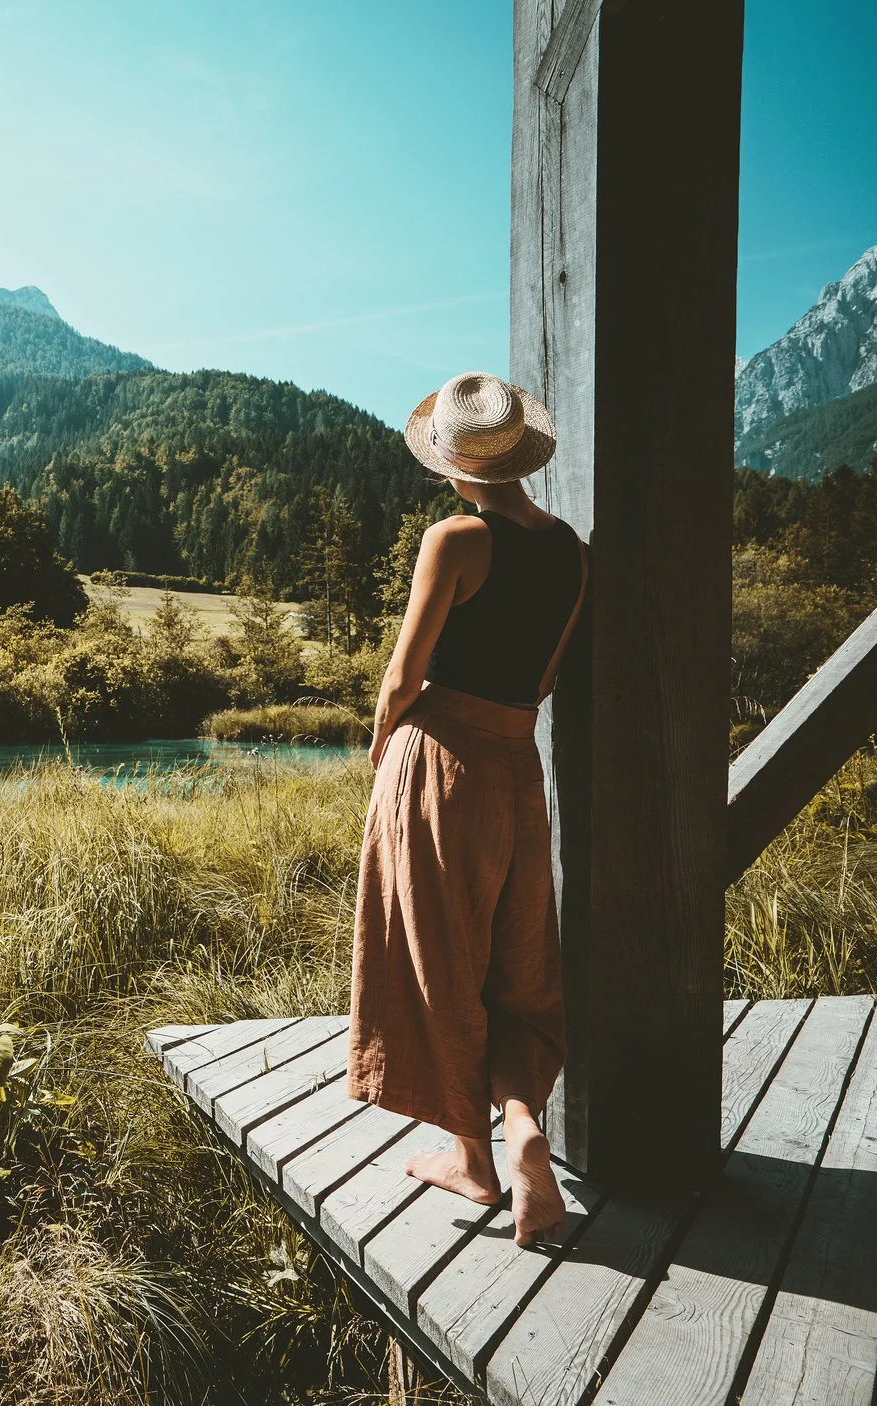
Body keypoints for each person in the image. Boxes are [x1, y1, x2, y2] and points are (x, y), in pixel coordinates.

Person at [348, 371, 588, 1248]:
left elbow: (404, 676)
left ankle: (475, 1163)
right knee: (518, 966)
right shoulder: (569, 548)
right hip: (517, 768)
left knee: (436, 959)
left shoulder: (454, 537)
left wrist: (382, 749)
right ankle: (521, 1122)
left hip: (437, 760)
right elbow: (547, 677)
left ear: (450, 460)